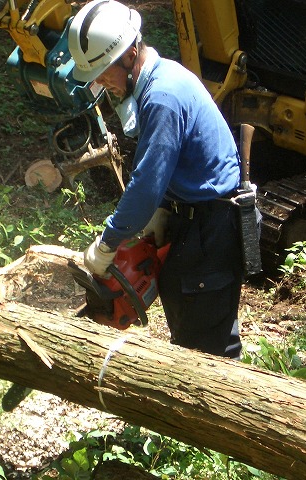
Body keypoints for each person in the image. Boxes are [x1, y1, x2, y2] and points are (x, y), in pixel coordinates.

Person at [68, 0, 254, 359]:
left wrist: (108, 243)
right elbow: (161, 171)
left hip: (210, 229)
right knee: (188, 336)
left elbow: (145, 184)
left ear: (130, 53)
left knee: (208, 353)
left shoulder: (162, 97)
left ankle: (215, 412)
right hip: (192, 221)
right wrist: (164, 213)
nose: (103, 82)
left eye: (105, 71)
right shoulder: (157, 80)